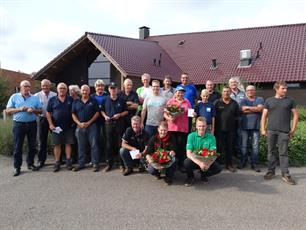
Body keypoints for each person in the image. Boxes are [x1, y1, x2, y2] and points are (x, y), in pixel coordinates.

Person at [261, 81, 299, 185]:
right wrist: (263, 129)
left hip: (284, 131)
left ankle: (285, 174)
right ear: (276, 89)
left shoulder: (290, 100)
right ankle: (271, 171)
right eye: (283, 88)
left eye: (286, 88)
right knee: (271, 151)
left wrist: (293, 130)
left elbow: (296, 115)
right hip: (271, 130)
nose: (285, 90)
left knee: (283, 153)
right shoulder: (269, 101)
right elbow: (264, 116)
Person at [6, 80, 42, 176]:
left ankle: (30, 164)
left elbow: (41, 110)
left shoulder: (34, 98)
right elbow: (8, 111)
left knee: (32, 145)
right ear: (20, 87)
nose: (27, 88)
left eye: (28, 86)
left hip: (32, 124)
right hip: (19, 125)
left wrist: (33, 110)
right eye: (25, 86)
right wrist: (20, 109)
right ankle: (17, 167)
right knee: (17, 146)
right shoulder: (14, 97)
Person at [184, 117, 222, 187]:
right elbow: (188, 154)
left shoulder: (212, 137)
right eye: (199, 126)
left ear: (206, 126)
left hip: (206, 160)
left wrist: (208, 164)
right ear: (196, 126)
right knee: (186, 163)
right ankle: (190, 177)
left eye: (203, 126)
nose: (201, 128)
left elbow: (214, 154)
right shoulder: (191, 136)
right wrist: (200, 163)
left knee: (218, 169)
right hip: (195, 160)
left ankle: (203, 174)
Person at [46, 83, 74, 172]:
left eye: (64, 88)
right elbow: (48, 112)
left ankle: (68, 162)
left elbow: (74, 112)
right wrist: (50, 124)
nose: (62, 90)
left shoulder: (70, 99)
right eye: (60, 88)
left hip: (69, 126)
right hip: (56, 127)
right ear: (57, 89)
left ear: (66, 90)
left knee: (68, 144)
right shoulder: (52, 100)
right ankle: (57, 162)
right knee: (57, 144)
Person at [72, 85, 100, 172]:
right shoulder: (76, 102)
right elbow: (73, 114)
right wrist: (78, 123)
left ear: (89, 91)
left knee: (94, 145)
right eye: (83, 90)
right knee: (81, 146)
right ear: (81, 91)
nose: (84, 92)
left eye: (86, 90)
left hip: (92, 126)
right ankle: (81, 164)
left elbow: (97, 113)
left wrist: (89, 122)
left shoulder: (93, 100)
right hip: (80, 126)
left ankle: (95, 163)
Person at [101, 82, 128, 172]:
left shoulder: (122, 100)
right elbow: (102, 111)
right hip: (108, 124)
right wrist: (105, 116)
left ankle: (121, 164)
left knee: (119, 144)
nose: (113, 90)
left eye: (114, 88)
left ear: (117, 89)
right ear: (109, 90)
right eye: (111, 88)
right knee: (109, 144)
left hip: (119, 124)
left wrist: (119, 114)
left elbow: (126, 112)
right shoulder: (105, 99)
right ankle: (109, 164)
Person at [164, 85, 191, 172]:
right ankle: (172, 165)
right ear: (175, 93)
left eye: (182, 92)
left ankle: (181, 165)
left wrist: (193, 115)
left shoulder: (187, 102)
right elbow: (165, 113)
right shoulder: (170, 101)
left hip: (183, 128)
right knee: (172, 146)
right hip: (172, 128)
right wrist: (169, 118)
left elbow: (190, 113)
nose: (180, 94)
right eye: (178, 92)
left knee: (182, 147)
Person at [238, 85, 264, 172]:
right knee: (244, 145)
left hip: (256, 126)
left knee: (255, 146)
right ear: (246, 91)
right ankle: (243, 161)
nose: (250, 92)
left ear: (254, 91)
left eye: (251, 90)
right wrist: (255, 109)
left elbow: (260, 109)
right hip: (244, 126)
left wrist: (248, 108)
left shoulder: (259, 99)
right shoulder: (243, 100)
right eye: (248, 90)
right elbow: (242, 110)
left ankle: (255, 164)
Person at [214, 86, 240, 172]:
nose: (226, 93)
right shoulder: (217, 103)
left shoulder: (234, 103)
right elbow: (213, 116)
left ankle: (229, 165)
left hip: (231, 130)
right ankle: (217, 165)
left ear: (230, 93)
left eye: (228, 91)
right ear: (222, 93)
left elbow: (237, 116)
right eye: (224, 91)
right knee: (219, 147)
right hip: (219, 129)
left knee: (229, 148)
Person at [146, 121, 177, 185]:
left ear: (168, 130)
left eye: (165, 130)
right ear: (158, 129)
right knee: (151, 169)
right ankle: (157, 174)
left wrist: (172, 152)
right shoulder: (153, 138)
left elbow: (174, 149)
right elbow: (148, 152)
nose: (163, 132)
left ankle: (168, 176)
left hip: (167, 159)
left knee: (175, 160)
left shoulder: (172, 138)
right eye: (161, 130)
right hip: (156, 159)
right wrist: (149, 159)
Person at [35, 79, 56, 168]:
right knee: (41, 141)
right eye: (43, 85)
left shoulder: (55, 95)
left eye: (46, 85)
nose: (45, 87)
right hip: (42, 119)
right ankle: (41, 160)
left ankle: (58, 159)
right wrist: (37, 114)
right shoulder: (36, 96)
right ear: (41, 86)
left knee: (56, 140)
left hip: (53, 119)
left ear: (50, 86)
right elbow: (33, 108)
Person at [90, 79, 108, 163]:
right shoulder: (92, 96)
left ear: (104, 87)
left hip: (106, 120)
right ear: (95, 87)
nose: (100, 87)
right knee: (95, 140)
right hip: (95, 121)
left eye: (101, 86)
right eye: (98, 86)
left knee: (106, 139)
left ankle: (106, 158)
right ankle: (96, 159)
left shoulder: (107, 95)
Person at [229, 77, 246, 159]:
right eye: (232, 83)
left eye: (235, 83)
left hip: (240, 117)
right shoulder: (228, 93)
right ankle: (232, 156)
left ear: (237, 84)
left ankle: (240, 156)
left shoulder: (243, 93)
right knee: (231, 136)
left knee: (240, 136)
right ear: (229, 84)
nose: (233, 84)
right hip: (230, 118)